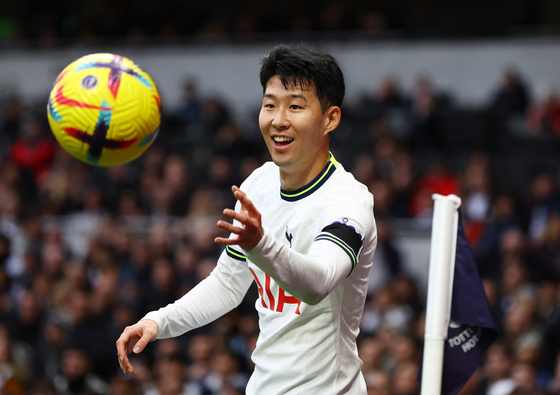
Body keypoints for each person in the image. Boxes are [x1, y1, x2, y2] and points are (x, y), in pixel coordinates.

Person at [116, 44, 377, 394]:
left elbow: (318, 282)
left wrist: (261, 245)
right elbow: (227, 284)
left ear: (330, 118)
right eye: (270, 104)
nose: (279, 119)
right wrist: (158, 321)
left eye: (296, 106)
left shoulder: (349, 202)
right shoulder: (260, 183)